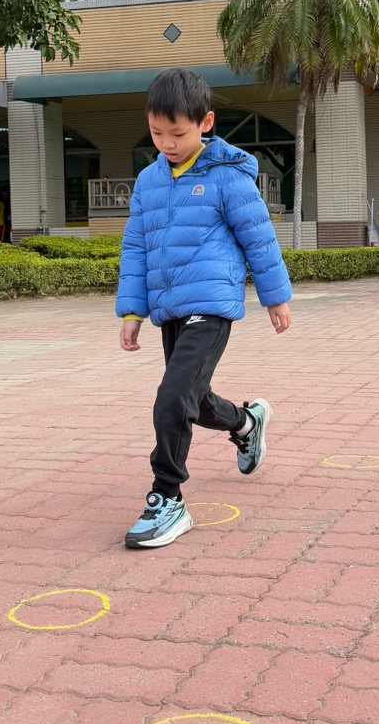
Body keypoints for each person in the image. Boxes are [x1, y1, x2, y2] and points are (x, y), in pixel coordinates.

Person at [116, 67, 293, 550]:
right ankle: (247, 422)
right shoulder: (149, 181)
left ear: (205, 123)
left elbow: (258, 236)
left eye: (178, 133)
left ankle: (168, 498)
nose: (167, 143)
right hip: (169, 307)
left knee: (172, 398)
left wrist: (275, 295)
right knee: (192, 400)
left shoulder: (225, 177)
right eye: (157, 133)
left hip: (211, 304)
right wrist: (132, 312)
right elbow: (135, 248)